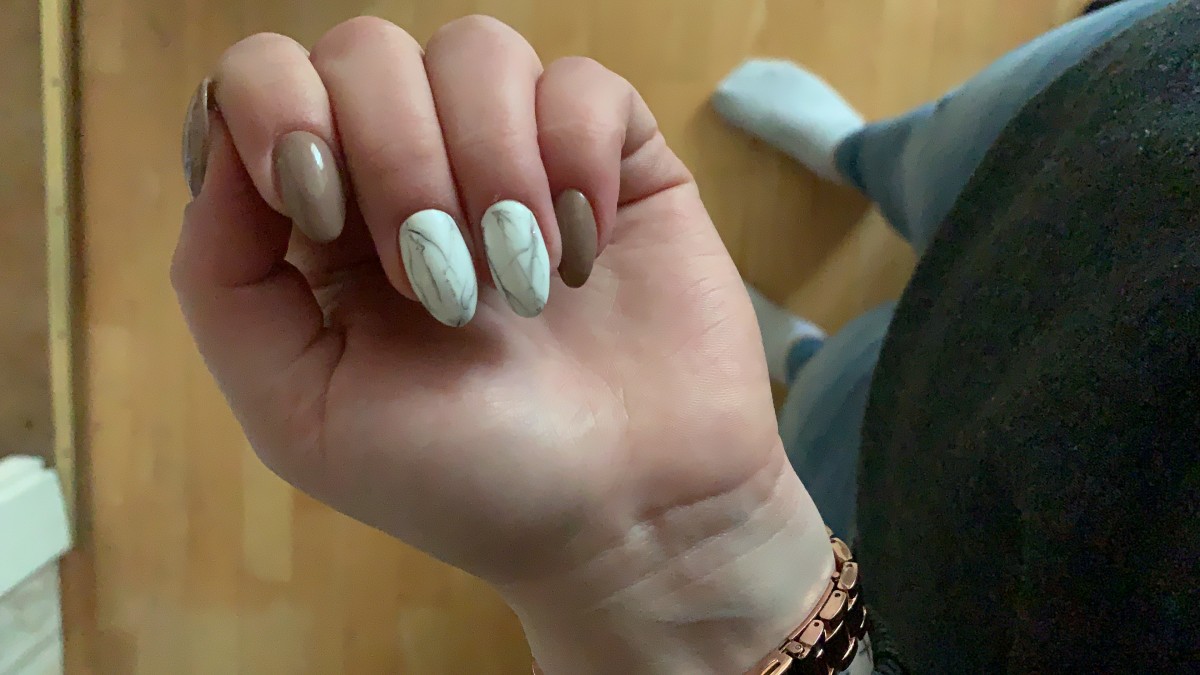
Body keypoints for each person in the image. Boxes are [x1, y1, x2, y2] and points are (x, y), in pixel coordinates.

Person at [172, 1, 1197, 673]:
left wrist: (676, 553)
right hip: (1131, 105)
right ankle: (857, 155)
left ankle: (799, 353)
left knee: (847, 394)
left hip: (986, 534)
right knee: (946, 151)